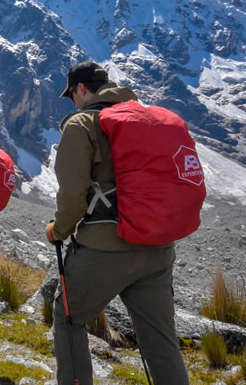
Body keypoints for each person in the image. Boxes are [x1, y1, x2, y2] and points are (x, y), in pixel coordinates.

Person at [46, 61, 189, 385]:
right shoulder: (146, 120)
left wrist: (57, 231)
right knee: (160, 339)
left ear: (81, 89)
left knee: (68, 317)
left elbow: (73, 197)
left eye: (72, 95)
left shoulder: (82, 123)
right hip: (158, 248)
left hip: (106, 249)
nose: (74, 102)